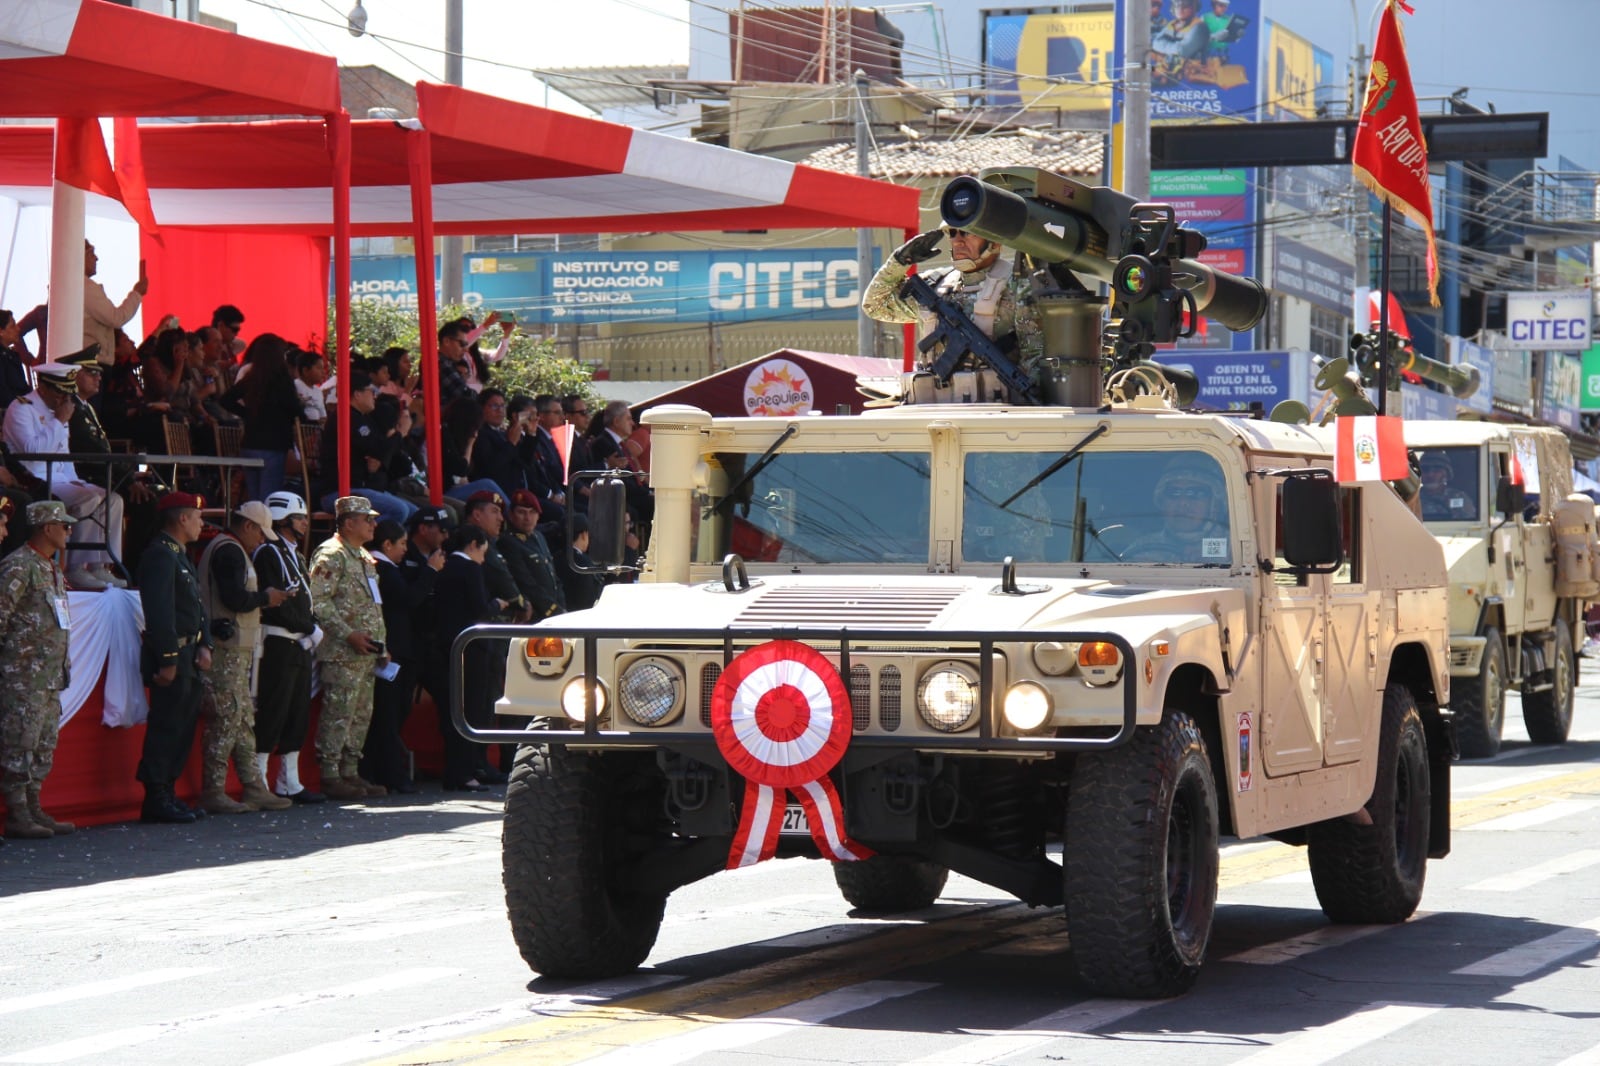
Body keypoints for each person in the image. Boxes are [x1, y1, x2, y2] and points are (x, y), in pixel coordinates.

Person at [862, 226, 1042, 394]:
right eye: (953, 233)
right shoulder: (935, 284)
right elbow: (875, 306)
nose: (957, 241)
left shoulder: (1018, 285)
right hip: (930, 403)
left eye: (967, 233)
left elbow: (1035, 357)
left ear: (994, 242)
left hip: (991, 407)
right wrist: (900, 261)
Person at [197, 503, 292, 815]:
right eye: (261, 534)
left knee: (241, 720)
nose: (261, 541)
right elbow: (234, 598)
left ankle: (253, 786)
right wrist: (266, 598)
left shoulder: (230, 548)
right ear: (248, 526)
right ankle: (214, 790)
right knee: (226, 718)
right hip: (226, 650)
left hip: (234, 649)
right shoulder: (230, 551)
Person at [2, 358, 126, 590]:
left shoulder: (60, 409)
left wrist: (75, 480)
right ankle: (76, 568)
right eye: (59, 392)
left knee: (113, 499)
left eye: (67, 393)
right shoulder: (22, 408)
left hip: (61, 478)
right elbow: (33, 452)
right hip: (36, 478)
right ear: (43, 387)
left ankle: (100, 565)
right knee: (89, 499)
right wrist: (59, 421)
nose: (63, 399)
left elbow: (63, 453)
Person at [136, 491, 213, 824]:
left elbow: (196, 607)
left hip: (189, 654)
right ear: (182, 518)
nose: (201, 524)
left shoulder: (179, 555)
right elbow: (160, 613)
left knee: (182, 727)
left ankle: (168, 790)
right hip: (174, 655)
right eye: (197, 517)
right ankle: (156, 796)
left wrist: (205, 644)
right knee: (166, 726)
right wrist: (167, 659)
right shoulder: (160, 555)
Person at [0, 501, 75, 839]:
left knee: (43, 744)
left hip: (48, 677)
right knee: (20, 744)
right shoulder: (19, 566)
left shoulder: (50, 567)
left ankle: (33, 807)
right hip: (22, 677)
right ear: (47, 528)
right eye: (65, 526)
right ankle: (18, 813)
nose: (69, 532)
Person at [310, 495, 389, 801]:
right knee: (339, 712)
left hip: (366, 652)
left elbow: (373, 606)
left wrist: (382, 645)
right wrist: (348, 635)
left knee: (360, 714)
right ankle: (330, 774)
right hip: (342, 652)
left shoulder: (363, 556)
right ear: (348, 523)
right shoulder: (332, 554)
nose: (373, 525)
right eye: (367, 519)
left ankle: (350, 771)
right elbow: (319, 602)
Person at [253, 490, 324, 804]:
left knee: (296, 714)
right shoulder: (268, 553)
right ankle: (258, 782)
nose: (305, 523)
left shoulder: (294, 554)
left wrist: (311, 627)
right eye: (299, 517)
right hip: (278, 641)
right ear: (282, 519)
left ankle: (288, 781)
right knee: (273, 710)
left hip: (299, 643)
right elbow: (275, 605)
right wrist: (310, 627)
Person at [360, 518, 439, 794]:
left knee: (394, 713)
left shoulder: (390, 568)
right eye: (402, 543)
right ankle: (390, 774)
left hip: (400, 650)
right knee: (388, 715)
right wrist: (430, 571)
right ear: (387, 544)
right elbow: (408, 599)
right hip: (390, 651)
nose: (406, 549)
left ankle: (378, 771)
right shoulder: (382, 569)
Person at [430, 523, 506, 792]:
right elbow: (479, 608)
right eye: (483, 552)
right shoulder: (470, 568)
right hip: (471, 650)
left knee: (454, 711)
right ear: (473, 545)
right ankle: (464, 773)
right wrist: (497, 604)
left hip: (446, 646)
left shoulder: (445, 567)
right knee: (470, 711)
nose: (483, 559)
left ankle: (461, 770)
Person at [320, 370, 416, 525]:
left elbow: (379, 453)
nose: (375, 396)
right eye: (371, 391)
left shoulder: (363, 418)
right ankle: (362, 537)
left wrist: (380, 456)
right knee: (399, 511)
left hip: (364, 487)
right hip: (342, 491)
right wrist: (401, 433)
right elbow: (377, 450)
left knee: (415, 514)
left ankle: (386, 540)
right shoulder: (346, 417)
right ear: (357, 394)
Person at [1124, 455, 1231, 563]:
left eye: (1196, 493)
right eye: (1173, 492)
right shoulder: (1143, 547)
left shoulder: (1234, 546)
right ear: (1162, 501)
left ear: (1214, 503)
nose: (1183, 503)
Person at [499, 490, 565, 620]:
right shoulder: (508, 542)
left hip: (554, 612)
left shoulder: (539, 537)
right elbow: (526, 583)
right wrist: (554, 610)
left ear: (538, 515)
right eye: (521, 512)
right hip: (534, 615)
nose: (527, 518)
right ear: (511, 515)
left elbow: (554, 578)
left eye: (532, 512)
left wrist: (561, 606)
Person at [83, 240, 147, 366]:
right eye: (91, 254)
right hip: (92, 363)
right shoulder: (86, 287)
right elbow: (116, 318)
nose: (96, 258)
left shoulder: (73, 287)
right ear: (80, 257)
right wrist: (137, 293)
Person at [1151, 0, 1211, 67]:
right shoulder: (1172, 23)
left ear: (1194, 7)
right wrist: (1174, 49)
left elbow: (1182, 51)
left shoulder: (1200, 27)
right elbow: (1155, 42)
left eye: (1185, 5)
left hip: (1193, 70)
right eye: (1177, 4)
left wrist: (1162, 47)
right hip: (1170, 68)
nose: (1180, 8)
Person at [1419, 453, 1475, 521]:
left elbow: (1470, 523)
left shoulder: (1458, 497)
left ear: (1447, 474)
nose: (1430, 475)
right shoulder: (1413, 498)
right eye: (1425, 470)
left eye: (1437, 470)